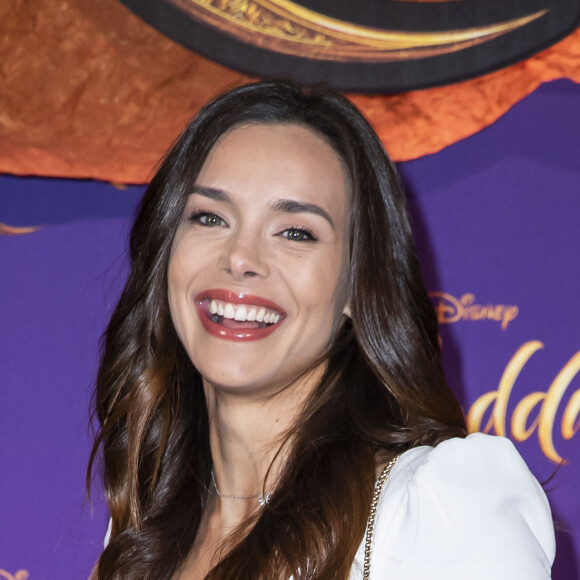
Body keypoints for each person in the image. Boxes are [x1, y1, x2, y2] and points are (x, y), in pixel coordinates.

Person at [88, 80, 555, 579]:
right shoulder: (144, 532)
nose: (240, 258)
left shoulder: (435, 508)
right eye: (209, 217)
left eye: (295, 232)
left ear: (359, 284)